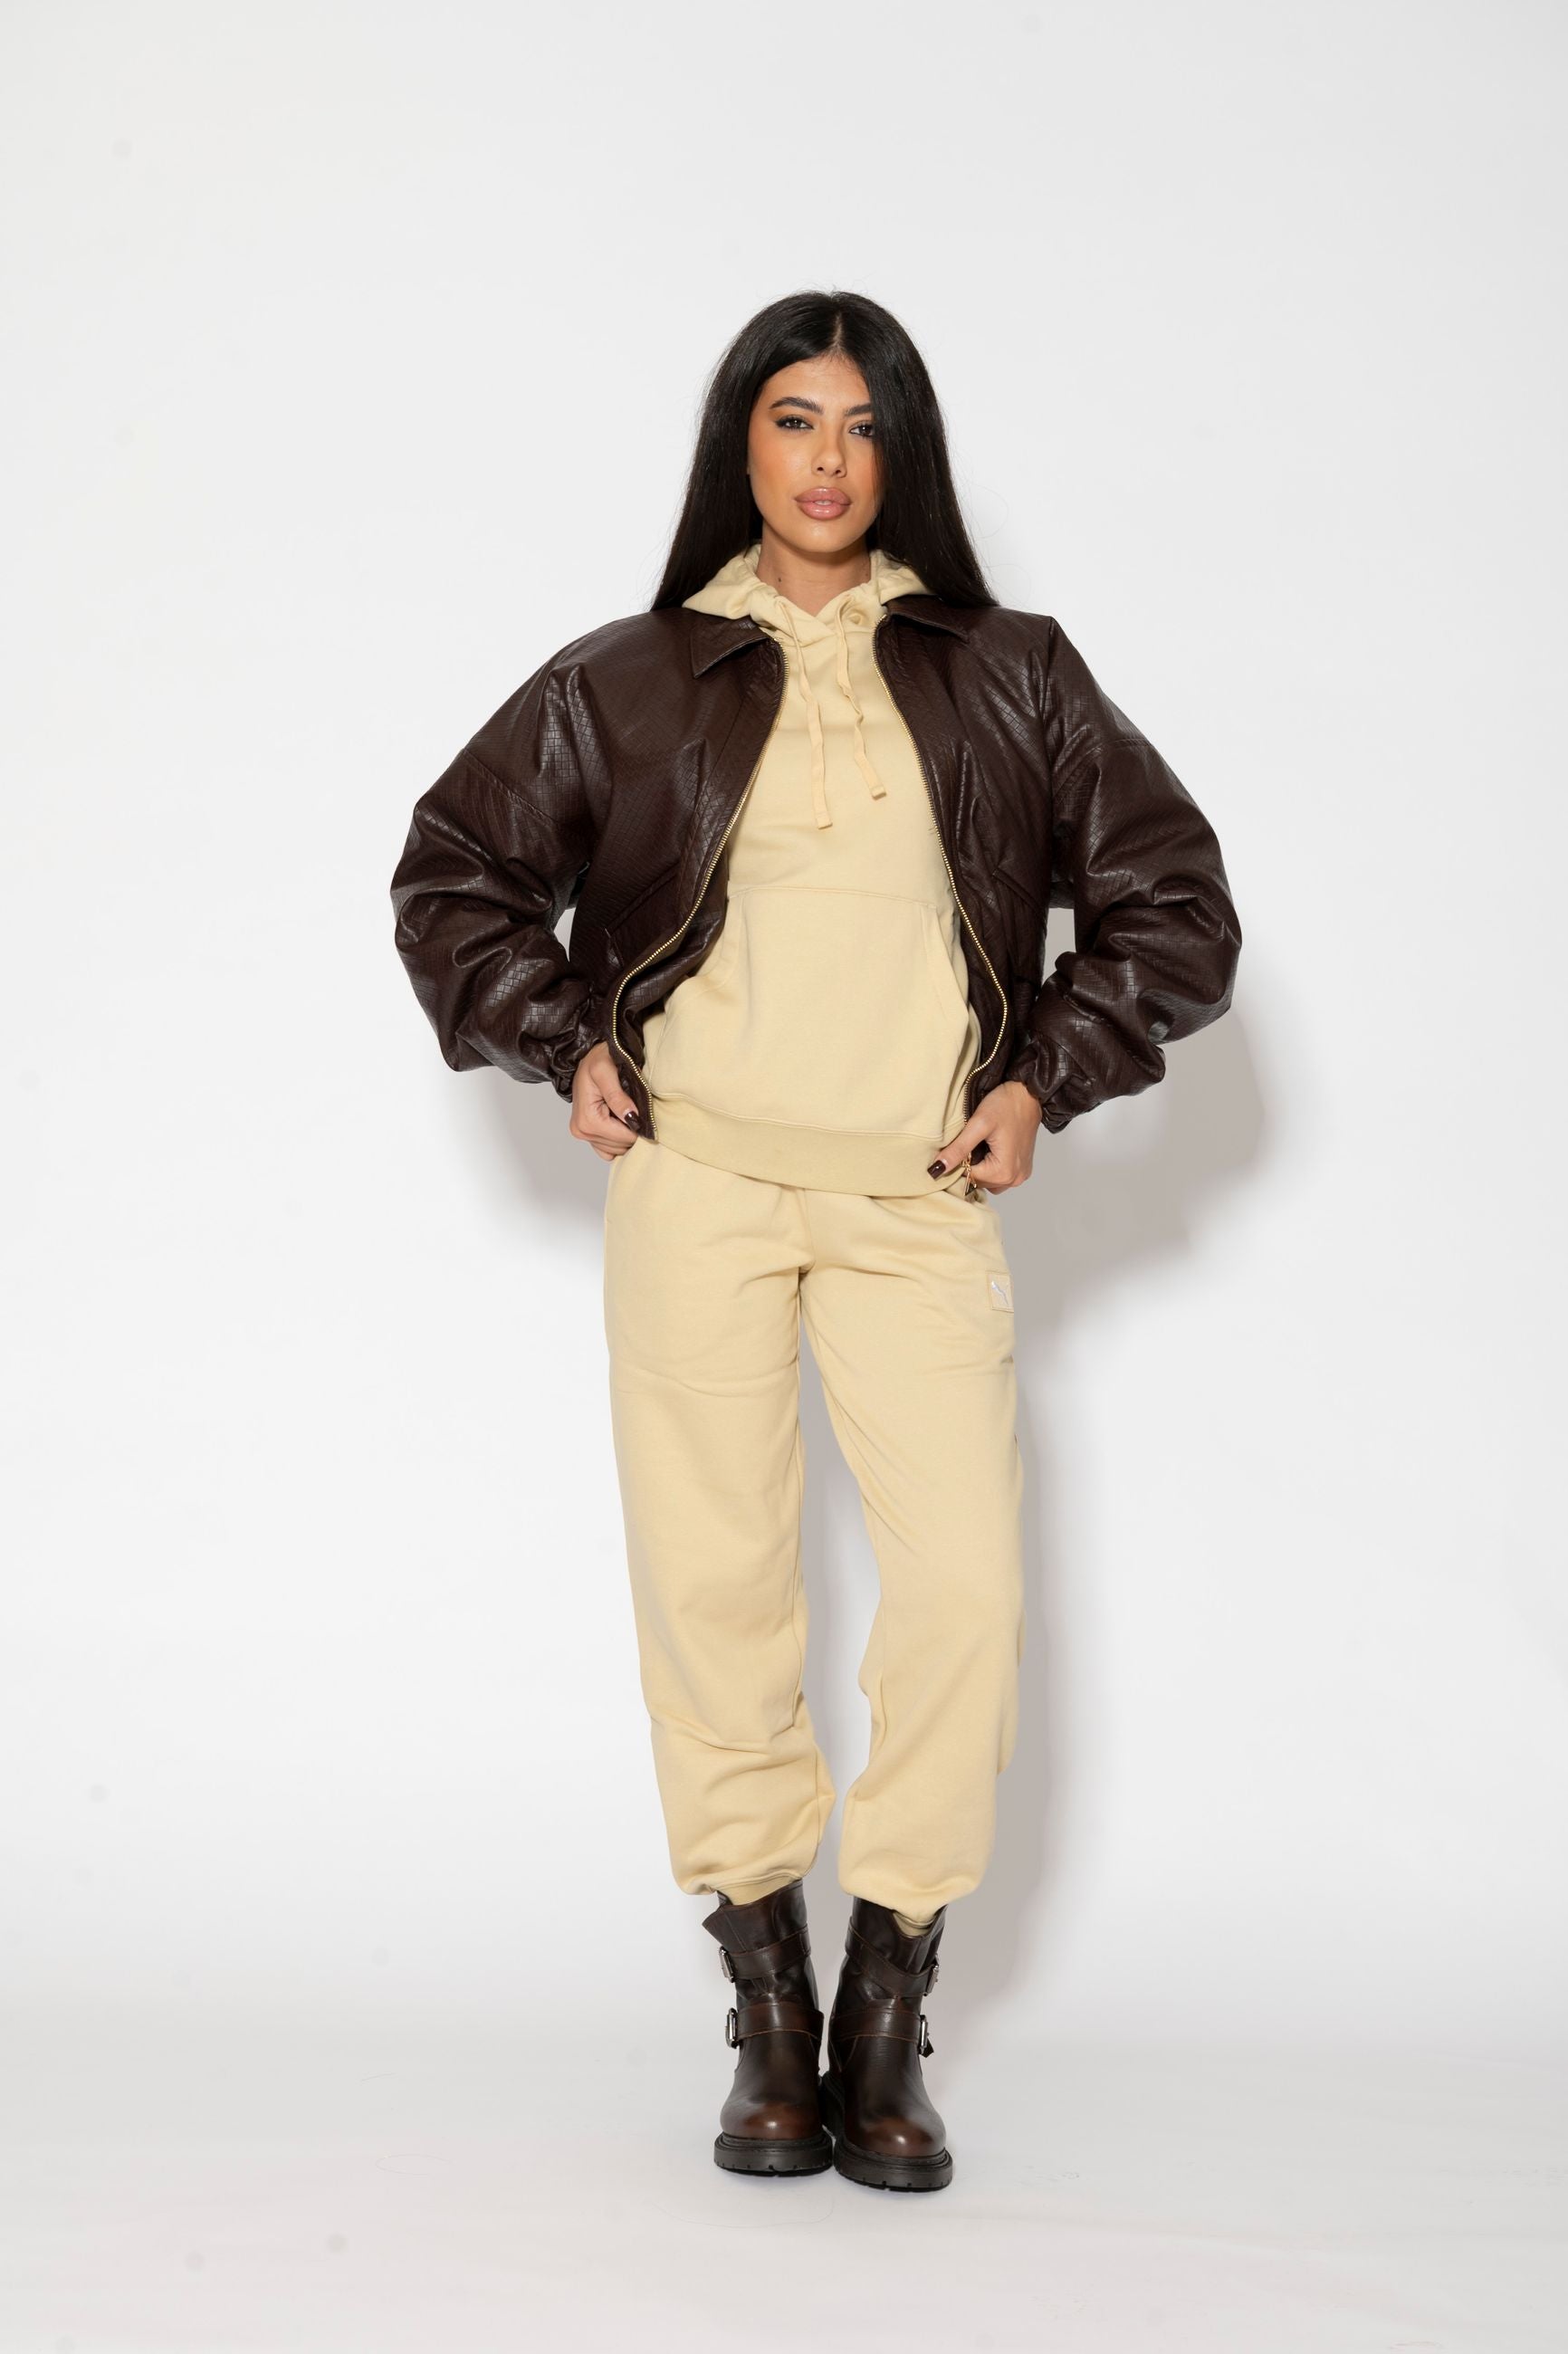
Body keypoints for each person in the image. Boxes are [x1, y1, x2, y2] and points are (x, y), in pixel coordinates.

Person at [389, 288, 1243, 2194]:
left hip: (912, 1195)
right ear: (742, 447)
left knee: (962, 1598)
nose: (827, 459)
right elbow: (454, 872)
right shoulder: (630, 677)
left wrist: (1043, 1076)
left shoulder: (1009, 671)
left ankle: (886, 1995)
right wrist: (562, 1036)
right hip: (695, 1183)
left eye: (860, 424)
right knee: (714, 1591)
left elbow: (1174, 906)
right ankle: (768, 2007)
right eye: (792, 420)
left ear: (900, 450)